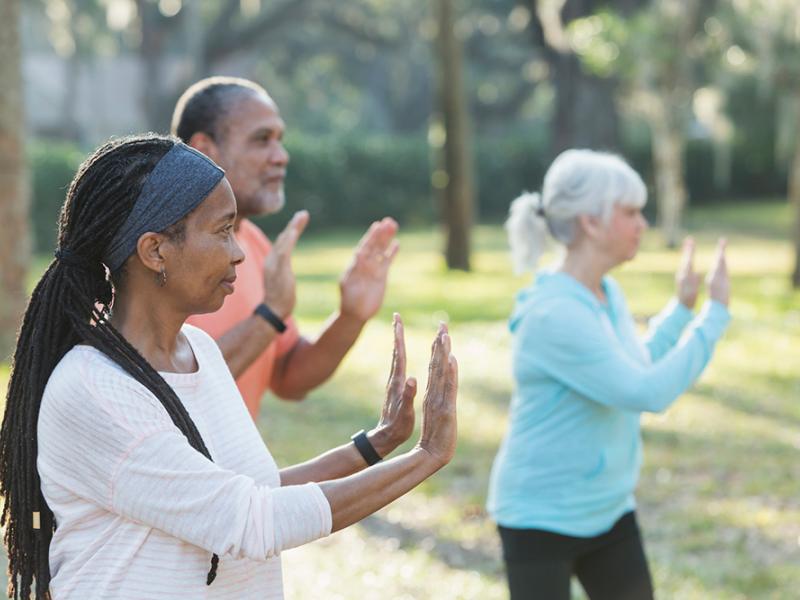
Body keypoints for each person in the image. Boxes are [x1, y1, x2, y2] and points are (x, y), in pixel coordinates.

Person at [0, 134, 458, 599]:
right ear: (155, 250)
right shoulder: (95, 389)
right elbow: (250, 522)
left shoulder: (199, 350)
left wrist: (375, 445)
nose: (239, 252)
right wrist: (427, 457)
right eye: (222, 230)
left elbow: (251, 493)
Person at [487, 149, 731, 600]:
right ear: (591, 222)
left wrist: (681, 312)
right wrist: (714, 316)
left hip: (608, 508)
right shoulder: (554, 313)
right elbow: (646, 392)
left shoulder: (604, 292)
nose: (643, 224)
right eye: (631, 212)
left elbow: (632, 365)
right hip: (539, 516)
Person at [170, 76, 398, 419]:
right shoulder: (156, 250)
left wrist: (350, 317)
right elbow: (162, 392)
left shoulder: (254, 243)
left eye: (280, 140)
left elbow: (289, 377)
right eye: (262, 140)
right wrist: (270, 313)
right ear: (205, 149)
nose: (281, 156)